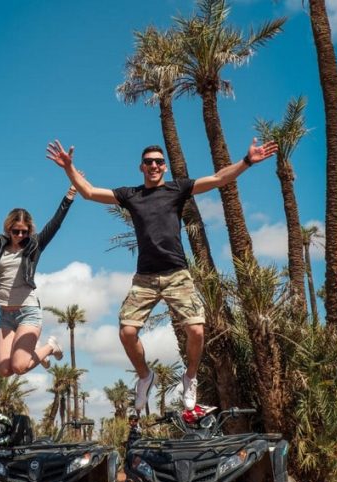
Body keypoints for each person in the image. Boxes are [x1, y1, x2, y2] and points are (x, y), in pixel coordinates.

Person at [46, 138, 277, 411]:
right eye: (148, 162)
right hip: (145, 277)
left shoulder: (176, 189)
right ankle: (145, 377)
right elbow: (89, 192)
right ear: (141, 167)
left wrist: (247, 160)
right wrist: (68, 168)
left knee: (196, 330)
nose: (154, 165)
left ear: (164, 167)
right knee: (127, 332)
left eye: (158, 161)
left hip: (176, 273)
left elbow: (217, 179)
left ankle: (190, 378)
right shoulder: (131, 195)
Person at [0, 170, 74, 376]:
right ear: (8, 229)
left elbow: (55, 223)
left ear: (29, 231)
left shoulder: (35, 245)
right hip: (6, 315)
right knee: (3, 371)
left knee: (19, 367)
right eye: (16, 231)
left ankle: (50, 347)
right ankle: (38, 353)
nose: (20, 235)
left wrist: (70, 195)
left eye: (24, 231)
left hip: (28, 312)